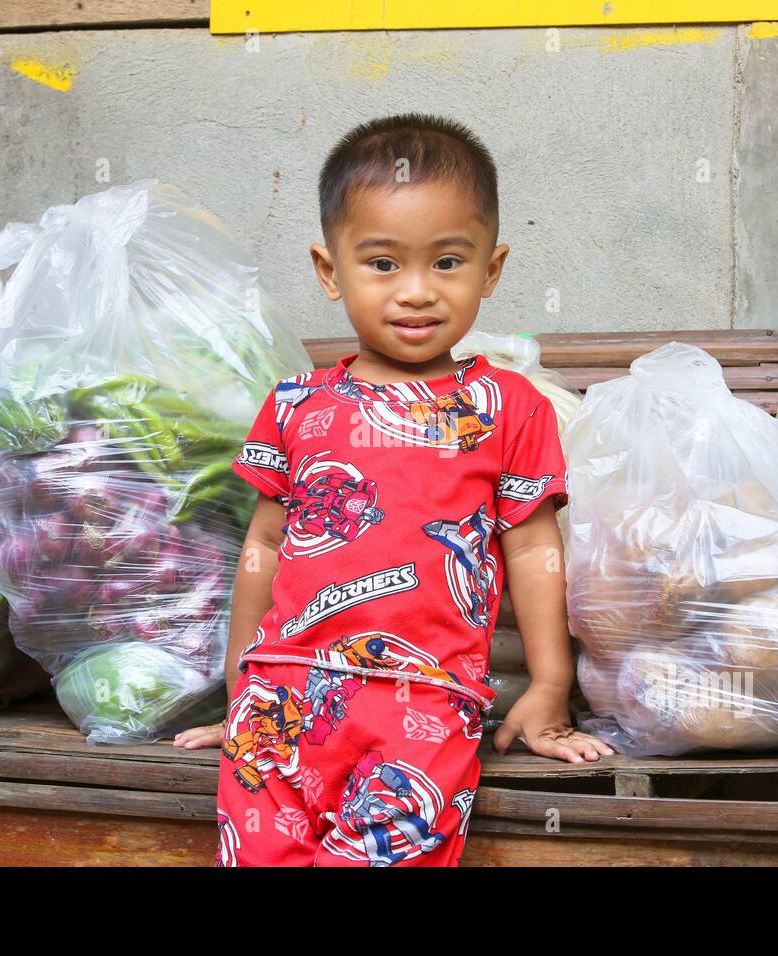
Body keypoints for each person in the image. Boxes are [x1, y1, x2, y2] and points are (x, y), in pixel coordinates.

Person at [174, 113, 613, 867]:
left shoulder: (509, 407)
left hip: (425, 705)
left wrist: (549, 687)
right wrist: (237, 689)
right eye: (382, 263)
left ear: (493, 269)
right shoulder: (293, 405)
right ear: (329, 269)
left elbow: (534, 547)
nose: (416, 292)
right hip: (279, 700)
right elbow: (265, 546)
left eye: (447, 262)